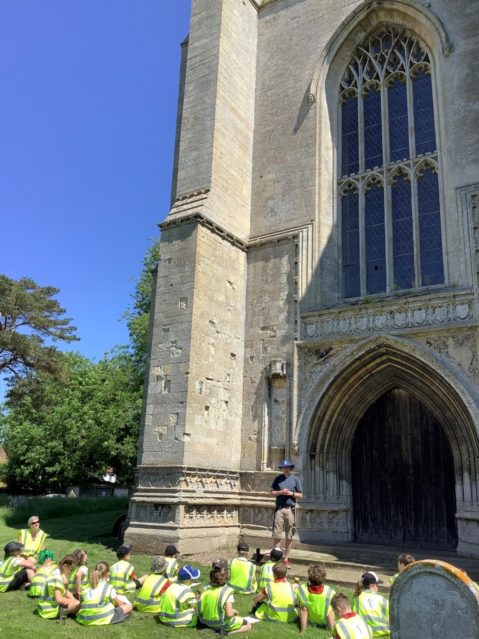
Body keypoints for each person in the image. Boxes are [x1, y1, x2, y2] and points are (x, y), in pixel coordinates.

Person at [76, 561, 133, 625]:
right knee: (129, 606)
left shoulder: (87, 588)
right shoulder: (108, 587)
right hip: (103, 618)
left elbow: (82, 604)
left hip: (84, 619)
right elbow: (119, 604)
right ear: (107, 574)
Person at [198, 567, 251, 634]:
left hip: (206, 622)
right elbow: (229, 614)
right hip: (221, 623)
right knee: (248, 625)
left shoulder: (206, 591)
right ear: (226, 578)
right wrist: (234, 611)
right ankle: (228, 633)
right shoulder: (226, 591)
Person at [270, 459, 302, 565]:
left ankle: (286, 558)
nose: (285, 469)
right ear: (282, 468)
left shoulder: (295, 479)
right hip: (279, 509)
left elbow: (300, 495)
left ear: (290, 468)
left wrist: (291, 494)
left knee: (289, 535)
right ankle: (276, 556)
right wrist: (280, 492)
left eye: (287, 467)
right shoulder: (278, 479)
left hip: (290, 509)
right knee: (277, 533)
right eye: (284, 467)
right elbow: (271, 492)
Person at [37, 554, 80, 619]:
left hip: (43, 608)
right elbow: (59, 600)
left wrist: (73, 599)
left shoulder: (56, 573)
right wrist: (73, 601)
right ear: (65, 566)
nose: (70, 572)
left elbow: (65, 591)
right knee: (77, 605)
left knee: (76, 602)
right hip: (50, 611)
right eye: (70, 570)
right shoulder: (57, 579)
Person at [297, 562, 336, 632]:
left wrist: (302, 632)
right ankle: (332, 630)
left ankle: (303, 630)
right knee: (330, 610)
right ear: (324, 578)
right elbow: (329, 613)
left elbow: (303, 611)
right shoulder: (329, 591)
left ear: (309, 577)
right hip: (324, 622)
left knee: (303, 608)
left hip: (309, 621)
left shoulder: (302, 589)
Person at [352, 572, 390, 637]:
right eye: (377, 585)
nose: (378, 587)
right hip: (383, 632)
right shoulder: (381, 599)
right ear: (372, 586)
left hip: (364, 632)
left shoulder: (356, 599)